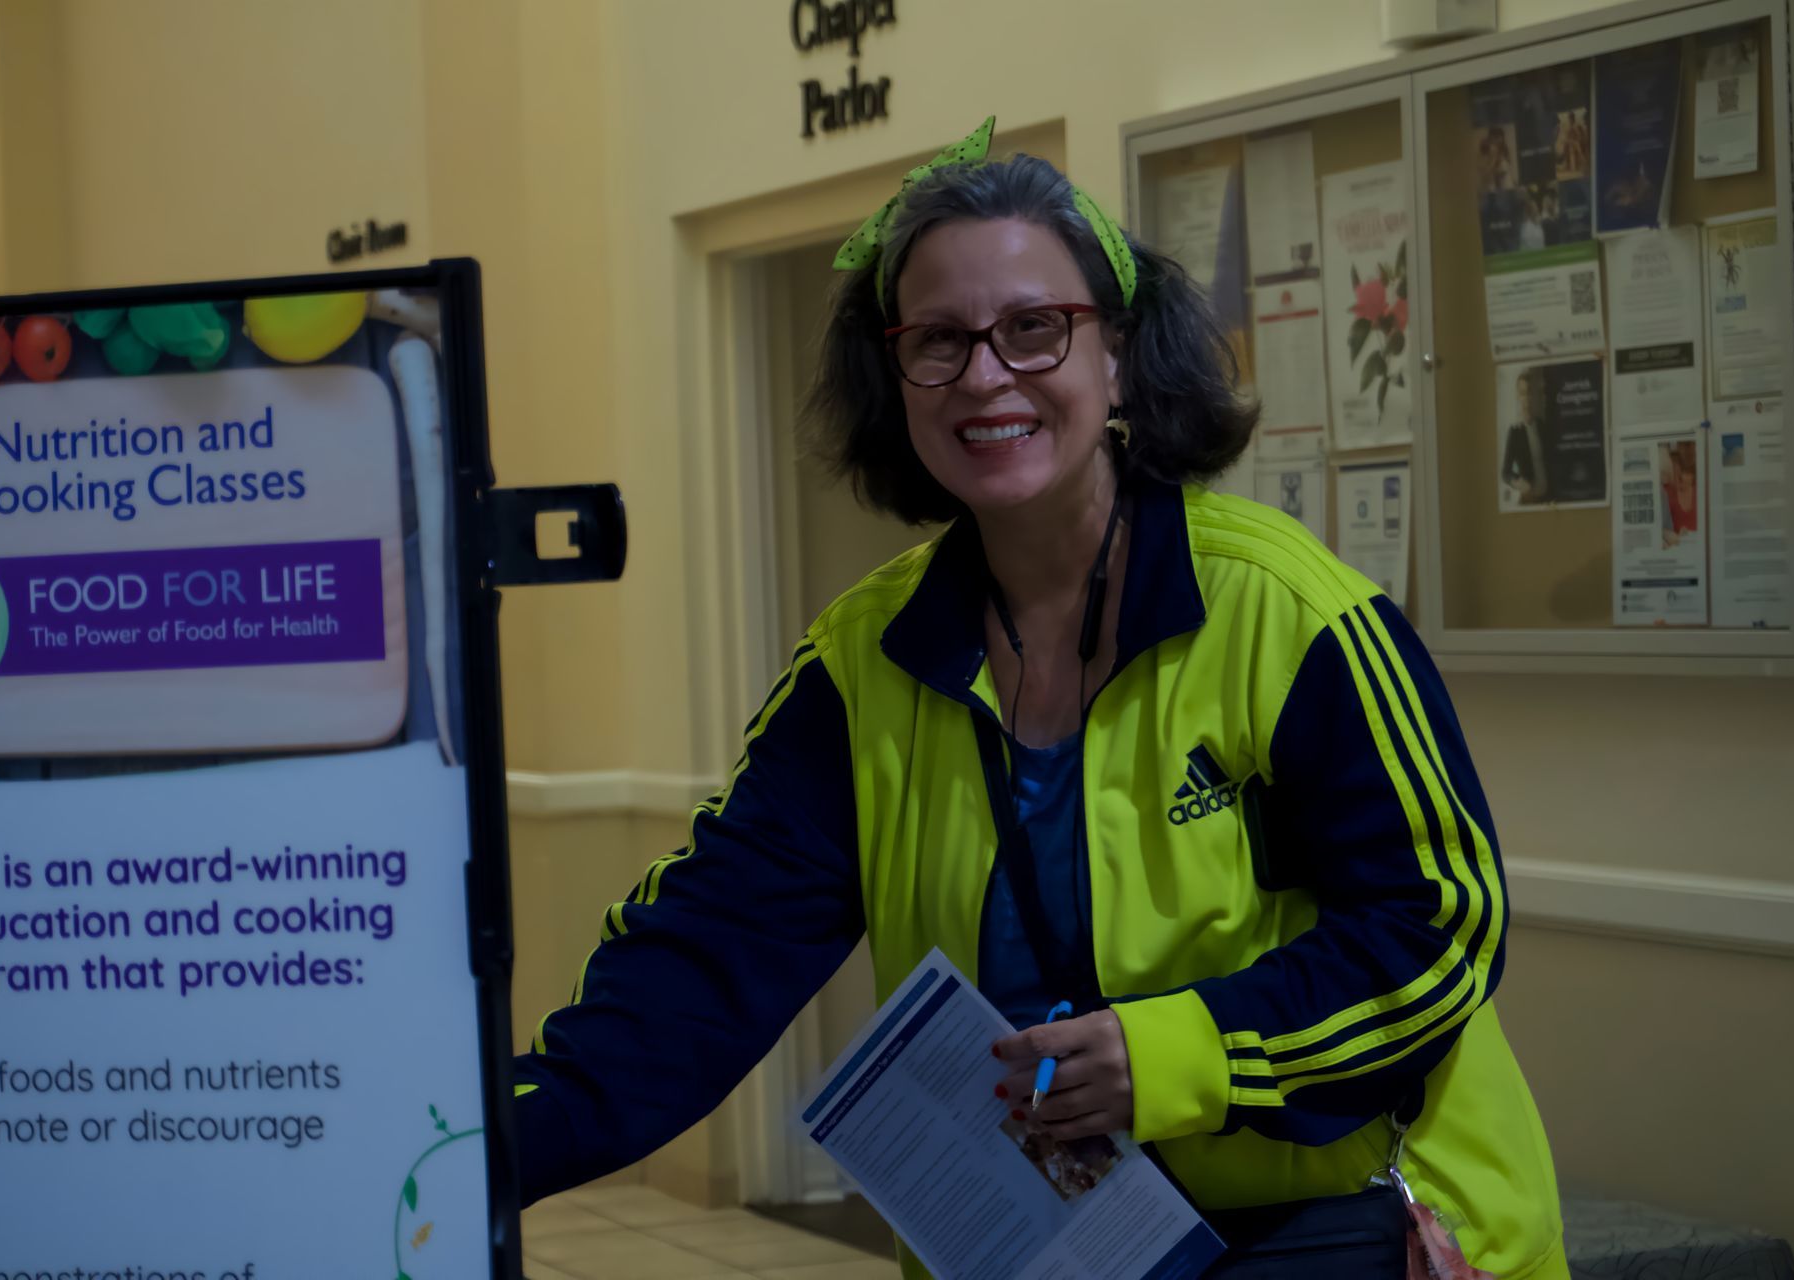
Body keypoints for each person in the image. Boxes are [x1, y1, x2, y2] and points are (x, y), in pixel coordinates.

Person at [513, 118, 1567, 1279]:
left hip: (1356, 1226)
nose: (984, 375)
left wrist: (1174, 1052)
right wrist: (476, 1145)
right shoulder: (865, 661)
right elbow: (704, 957)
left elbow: (1438, 930)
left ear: (1114, 352)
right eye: (939, 340)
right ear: (896, 372)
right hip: (1051, 1250)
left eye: (1033, 329)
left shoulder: (1291, 614)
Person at [1502, 368, 1553, 505]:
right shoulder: (1515, 432)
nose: (1527, 398)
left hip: (1549, 499)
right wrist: (1517, 481)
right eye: (1523, 393)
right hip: (1529, 500)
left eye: (1530, 392)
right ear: (1518, 397)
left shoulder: (1543, 427)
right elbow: (1505, 472)